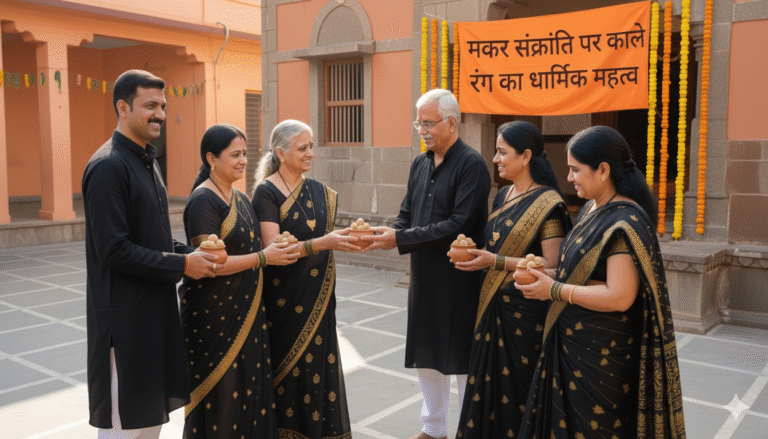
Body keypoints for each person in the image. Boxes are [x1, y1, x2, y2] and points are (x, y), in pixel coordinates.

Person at [516, 126, 686, 438]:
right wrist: (546, 277)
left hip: (601, 361)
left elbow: (620, 296)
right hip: (575, 345)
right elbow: (584, 276)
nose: (569, 178)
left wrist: (553, 289)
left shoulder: (624, 221)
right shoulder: (593, 209)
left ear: (603, 170)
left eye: (575, 169)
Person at [82, 69, 218, 438]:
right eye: (150, 105)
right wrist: (183, 263)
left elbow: (152, 239)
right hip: (124, 326)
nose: (159, 113)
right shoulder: (109, 166)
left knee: (150, 426)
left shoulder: (146, 161)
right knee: (123, 428)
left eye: (163, 105)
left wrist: (193, 253)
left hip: (154, 316)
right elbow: (113, 249)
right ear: (123, 108)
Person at [364, 89, 491, 439]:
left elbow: (459, 223)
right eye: (418, 122)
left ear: (452, 122)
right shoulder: (420, 163)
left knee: (462, 357)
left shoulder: (472, 165)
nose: (422, 130)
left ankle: (468, 429)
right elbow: (407, 214)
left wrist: (399, 239)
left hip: (460, 275)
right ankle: (433, 428)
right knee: (427, 353)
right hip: (424, 274)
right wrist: (387, 233)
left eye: (428, 123)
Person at [179, 124, 301, 438]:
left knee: (251, 397)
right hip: (214, 320)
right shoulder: (203, 202)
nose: (243, 160)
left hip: (248, 314)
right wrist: (265, 257)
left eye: (245, 153)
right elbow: (211, 265)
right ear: (211, 158)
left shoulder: (240, 197)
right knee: (223, 401)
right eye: (235, 154)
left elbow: (258, 247)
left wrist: (279, 246)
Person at [451, 121, 572, 439]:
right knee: (488, 387)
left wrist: (495, 261)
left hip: (525, 314)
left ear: (526, 156)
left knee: (518, 390)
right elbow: (494, 247)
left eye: (502, 152)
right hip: (492, 307)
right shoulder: (503, 195)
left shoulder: (549, 205)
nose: (495, 159)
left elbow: (552, 264)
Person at [252, 119, 360, 439]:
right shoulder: (266, 192)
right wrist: (324, 242)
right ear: (281, 153)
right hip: (284, 301)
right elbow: (274, 249)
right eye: (303, 148)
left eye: (311, 146)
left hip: (320, 298)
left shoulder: (318, 192)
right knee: (289, 373)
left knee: (317, 369)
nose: (310, 153)